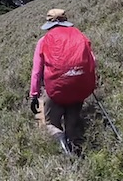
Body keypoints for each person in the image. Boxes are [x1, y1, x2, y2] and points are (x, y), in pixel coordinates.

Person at [29, 8, 97, 156]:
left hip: (56, 90)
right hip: (79, 88)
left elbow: (36, 71)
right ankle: (77, 154)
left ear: (49, 23)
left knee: (51, 123)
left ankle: (62, 145)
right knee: (72, 124)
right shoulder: (79, 35)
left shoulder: (44, 41)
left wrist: (34, 95)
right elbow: (93, 60)